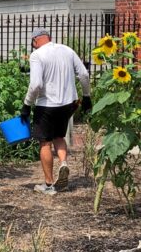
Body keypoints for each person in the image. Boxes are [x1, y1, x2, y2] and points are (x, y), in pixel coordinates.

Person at [19, 28, 92, 195]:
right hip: (68, 103)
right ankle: (64, 163)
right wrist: (86, 96)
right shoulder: (67, 50)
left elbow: (36, 84)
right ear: (49, 38)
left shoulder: (37, 55)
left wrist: (27, 105)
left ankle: (49, 184)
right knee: (59, 136)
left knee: (45, 142)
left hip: (47, 105)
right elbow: (84, 74)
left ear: (35, 41)